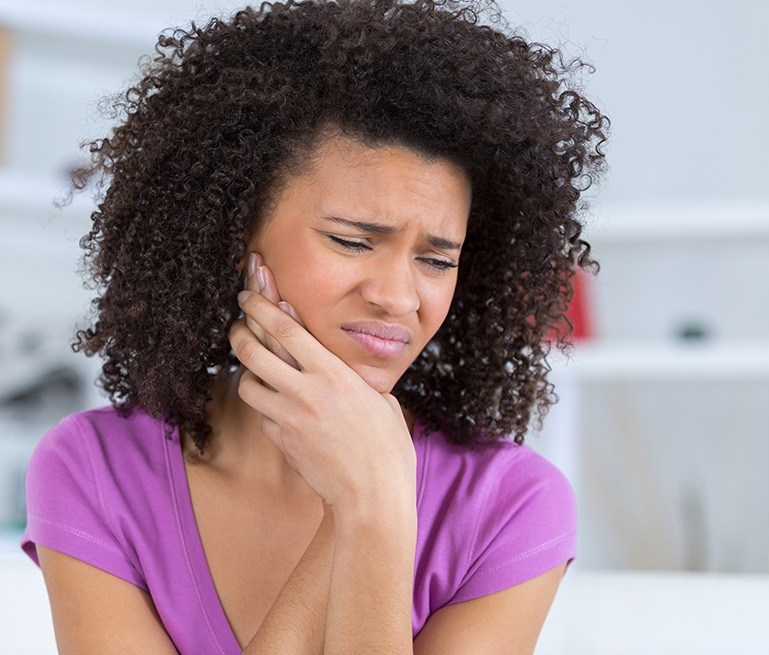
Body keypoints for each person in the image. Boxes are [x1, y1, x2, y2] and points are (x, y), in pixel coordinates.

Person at [20, 0, 608, 652]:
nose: (397, 297)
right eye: (353, 242)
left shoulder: (510, 505)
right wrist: (361, 500)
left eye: (437, 259)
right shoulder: (96, 472)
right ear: (235, 234)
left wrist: (374, 509)